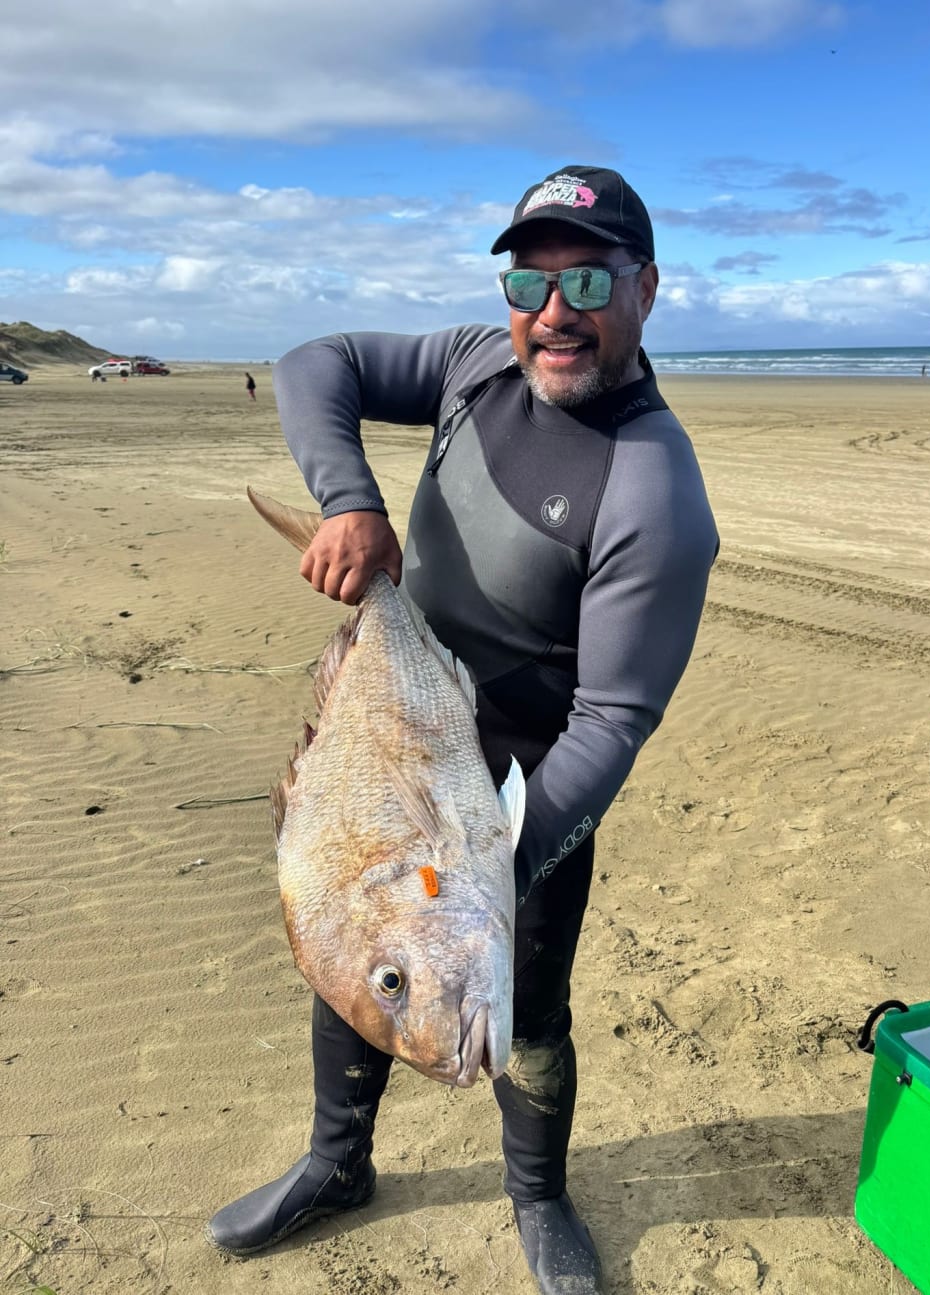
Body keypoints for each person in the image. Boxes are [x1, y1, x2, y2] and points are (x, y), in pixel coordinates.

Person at [205, 166, 719, 1293]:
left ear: (646, 290)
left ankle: (537, 1192)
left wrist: (491, 864)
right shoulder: (479, 360)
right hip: (398, 719)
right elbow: (315, 364)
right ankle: (338, 1163)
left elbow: (615, 720)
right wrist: (349, 501)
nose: (553, 311)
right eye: (526, 280)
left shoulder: (653, 489)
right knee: (354, 947)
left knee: (524, 1002)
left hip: (529, 792)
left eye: (587, 277)